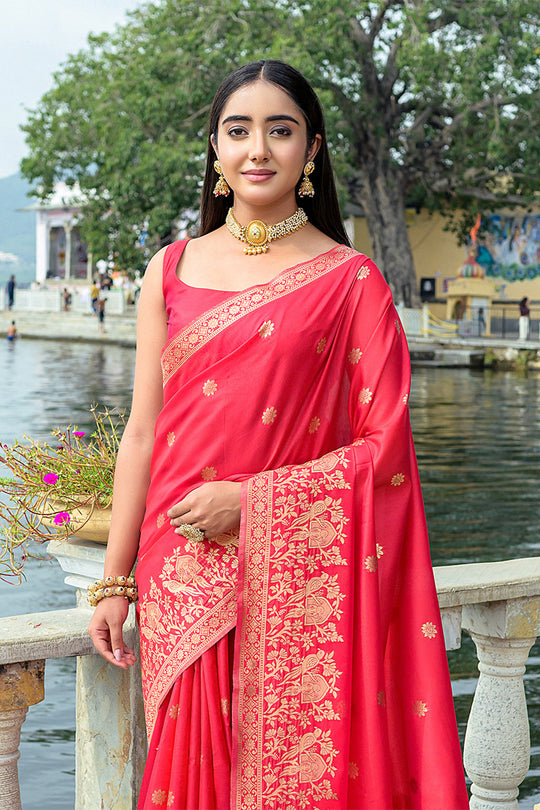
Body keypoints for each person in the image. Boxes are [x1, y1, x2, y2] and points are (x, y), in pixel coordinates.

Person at [88, 60, 468, 810]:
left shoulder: (351, 280)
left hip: (291, 572)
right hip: (181, 572)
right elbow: (141, 433)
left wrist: (254, 504)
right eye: (239, 130)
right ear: (215, 149)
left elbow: (383, 451)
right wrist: (113, 581)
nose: (257, 148)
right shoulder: (169, 269)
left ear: (313, 150)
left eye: (280, 130)